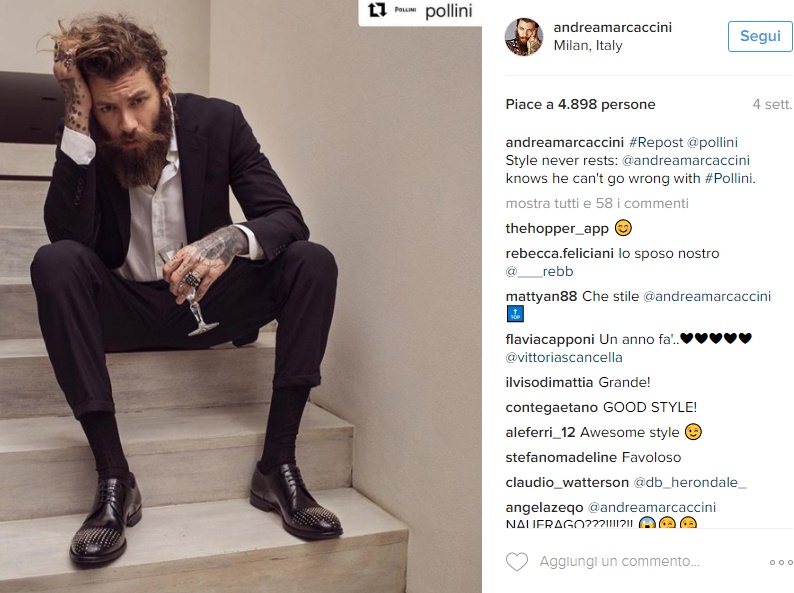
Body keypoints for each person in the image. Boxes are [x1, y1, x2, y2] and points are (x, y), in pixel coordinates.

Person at [33, 14, 342, 565]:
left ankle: (278, 464)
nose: (127, 123)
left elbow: (286, 218)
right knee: (53, 262)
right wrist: (78, 117)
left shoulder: (219, 122)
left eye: (138, 101)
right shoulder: (88, 138)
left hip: (207, 307)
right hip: (123, 312)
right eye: (107, 108)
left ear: (164, 86)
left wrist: (228, 240)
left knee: (311, 262)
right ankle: (114, 478)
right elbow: (68, 239)